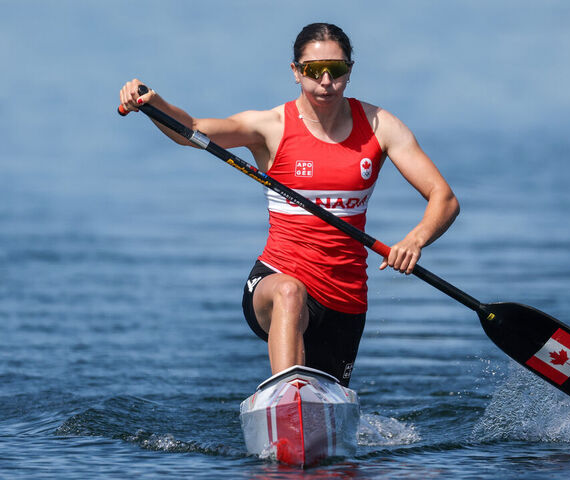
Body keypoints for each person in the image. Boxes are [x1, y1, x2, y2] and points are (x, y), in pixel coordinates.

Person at [119, 23, 459, 387]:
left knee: (324, 412)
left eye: (338, 70)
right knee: (289, 292)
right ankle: (286, 396)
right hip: (274, 280)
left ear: (350, 71)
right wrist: (152, 103)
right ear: (296, 72)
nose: (326, 80)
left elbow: (444, 197)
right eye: (313, 70)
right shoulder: (271, 127)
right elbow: (193, 130)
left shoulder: (381, 126)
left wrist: (415, 240)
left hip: (345, 298)